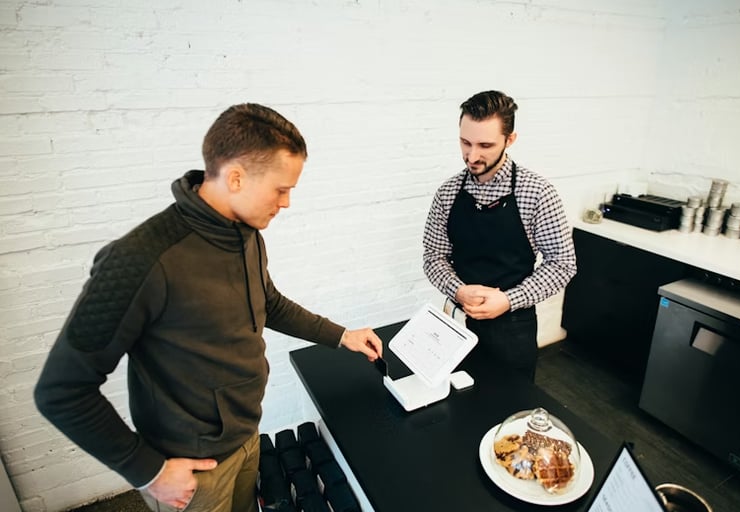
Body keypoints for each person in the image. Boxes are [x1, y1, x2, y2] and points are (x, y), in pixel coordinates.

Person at [34, 103, 383, 512]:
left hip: (247, 436)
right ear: (236, 177)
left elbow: (268, 302)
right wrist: (147, 471)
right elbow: (61, 391)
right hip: (190, 466)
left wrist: (341, 335)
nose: (286, 203)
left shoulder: (247, 233)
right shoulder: (139, 260)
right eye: (281, 189)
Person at [422, 90, 576, 381]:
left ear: (510, 140)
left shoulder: (537, 193)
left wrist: (508, 299)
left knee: (508, 413)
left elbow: (563, 264)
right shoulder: (448, 192)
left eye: (485, 145)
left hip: (513, 328)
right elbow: (434, 256)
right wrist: (457, 289)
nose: (472, 155)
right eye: (465, 142)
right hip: (457, 323)